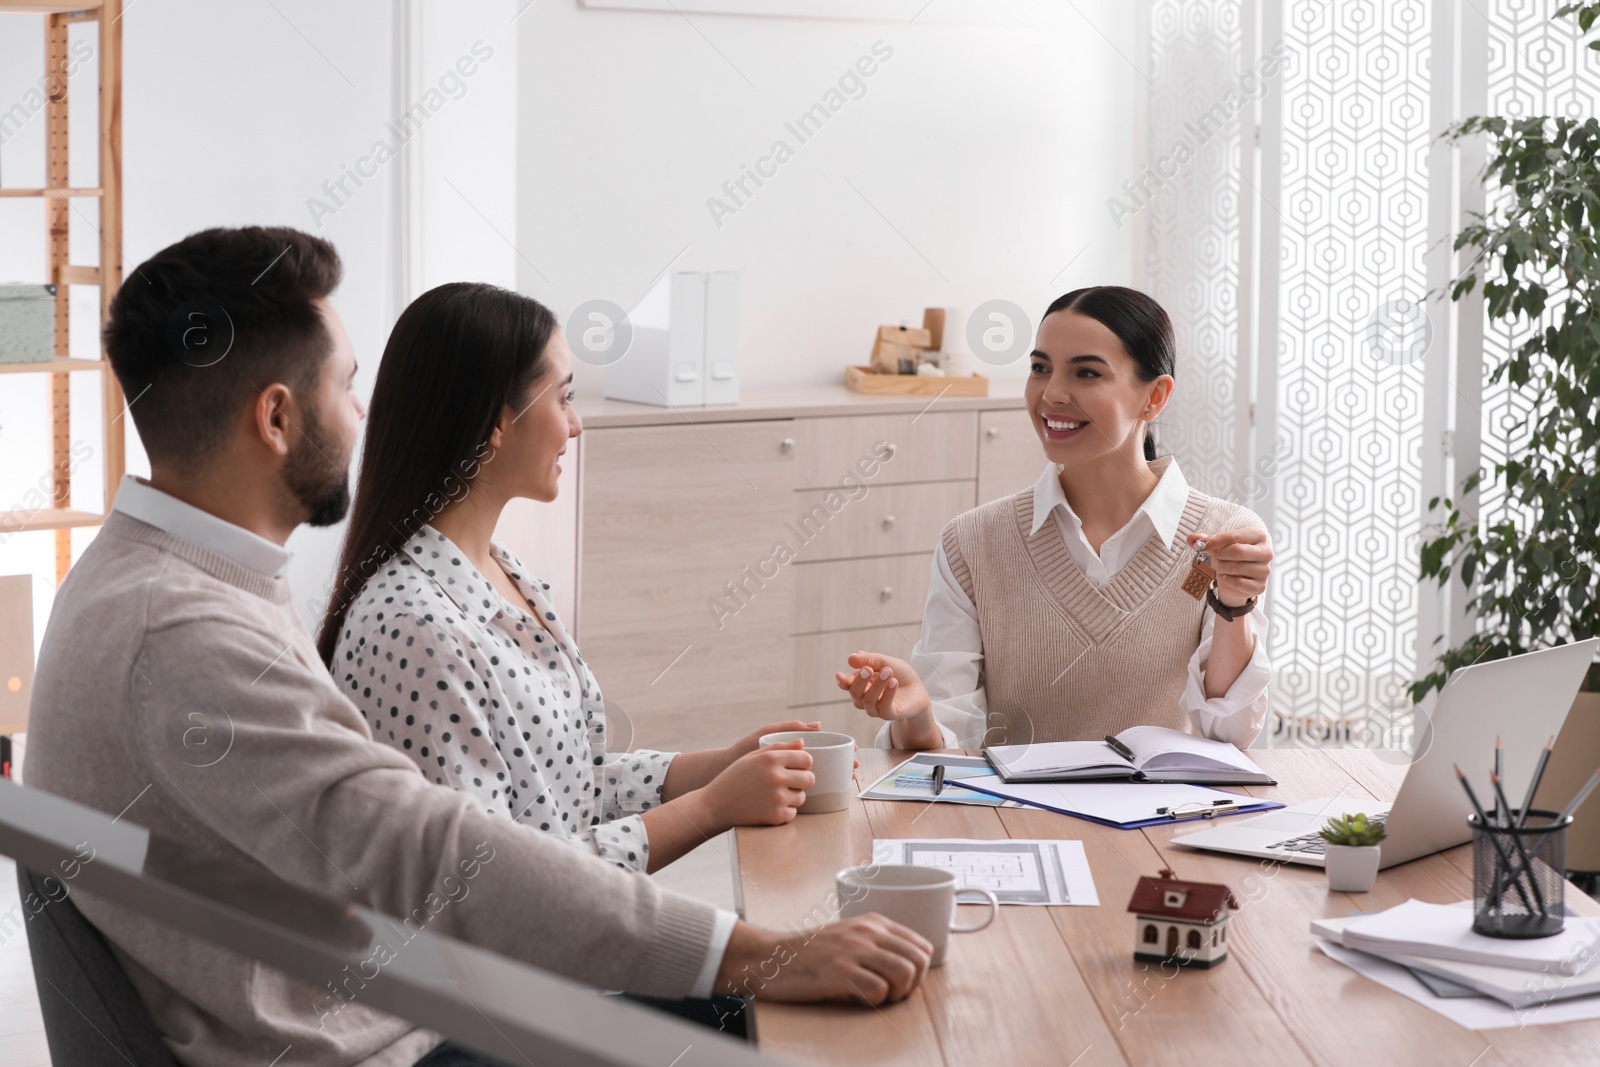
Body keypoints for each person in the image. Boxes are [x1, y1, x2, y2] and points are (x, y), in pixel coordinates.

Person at [23, 226, 931, 1067]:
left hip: (406, 1012)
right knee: (814, 1030)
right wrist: (753, 953)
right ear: (275, 417)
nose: (362, 410)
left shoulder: (178, 584)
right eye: (344, 384)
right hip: (398, 1042)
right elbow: (436, 854)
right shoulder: (180, 631)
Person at [836, 286, 1274, 751]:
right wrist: (919, 712)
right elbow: (945, 743)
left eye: (1086, 373)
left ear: (1155, 396)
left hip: (1164, 818)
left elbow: (1228, 736)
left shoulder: (1222, 540)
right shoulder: (974, 542)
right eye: (1040, 368)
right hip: (1015, 821)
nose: (1052, 394)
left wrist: (1234, 605)